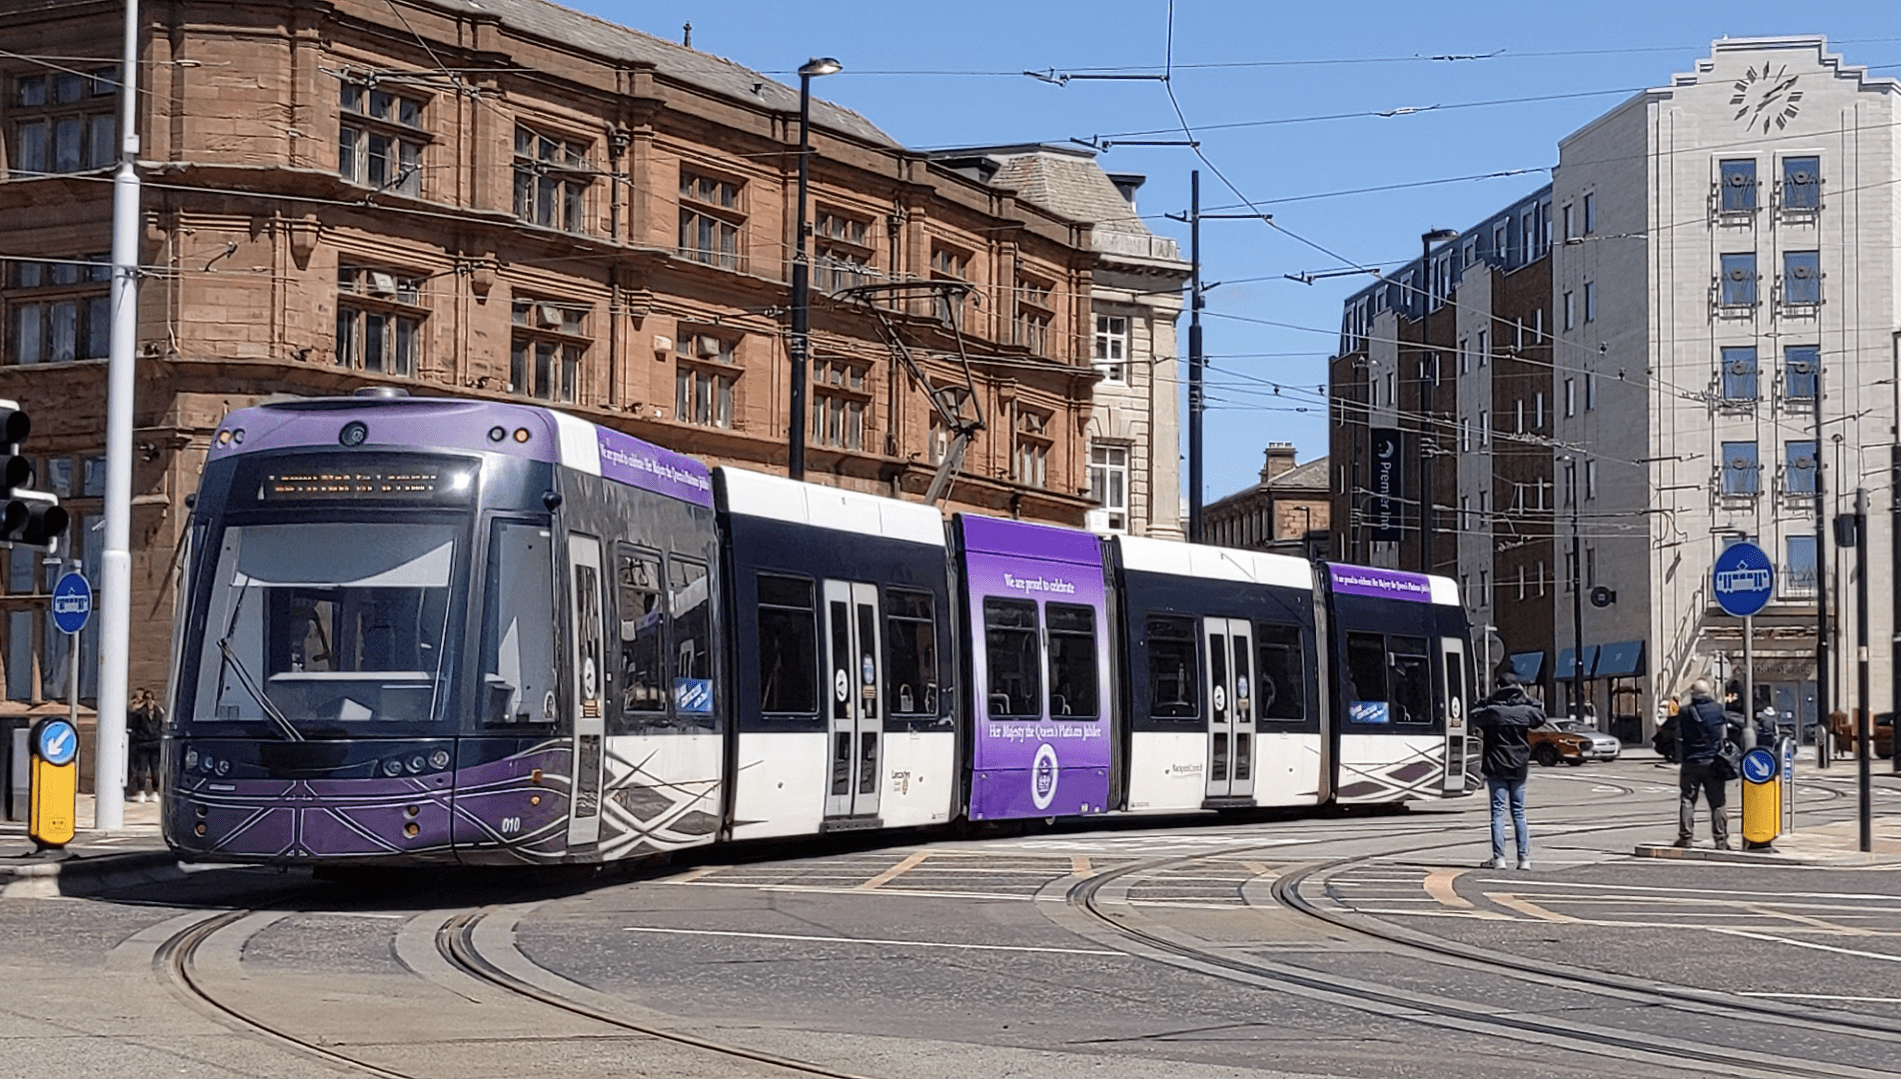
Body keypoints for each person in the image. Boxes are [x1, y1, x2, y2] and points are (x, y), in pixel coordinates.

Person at [1472, 672, 1542, 870]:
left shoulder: (1493, 711)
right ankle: (1524, 859)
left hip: (1496, 765)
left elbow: (1474, 713)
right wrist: (1525, 697)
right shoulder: (1525, 711)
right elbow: (1540, 714)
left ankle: (1499, 858)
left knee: (1498, 812)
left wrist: (1489, 699)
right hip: (1518, 766)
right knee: (1519, 812)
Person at [1676, 679, 1731, 849]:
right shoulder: (1717, 709)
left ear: (1693, 694)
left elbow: (1679, 735)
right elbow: (1723, 733)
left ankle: (1686, 837)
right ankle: (1721, 839)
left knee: (1687, 799)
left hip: (1691, 761)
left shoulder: (1685, 711)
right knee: (1718, 802)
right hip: (1713, 762)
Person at [127, 688, 164, 803]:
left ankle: (141, 792)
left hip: (142, 743)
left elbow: (133, 726)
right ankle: (155, 793)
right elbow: (162, 726)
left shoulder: (139, 713)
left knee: (142, 769)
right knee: (155, 768)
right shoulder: (159, 711)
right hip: (156, 743)